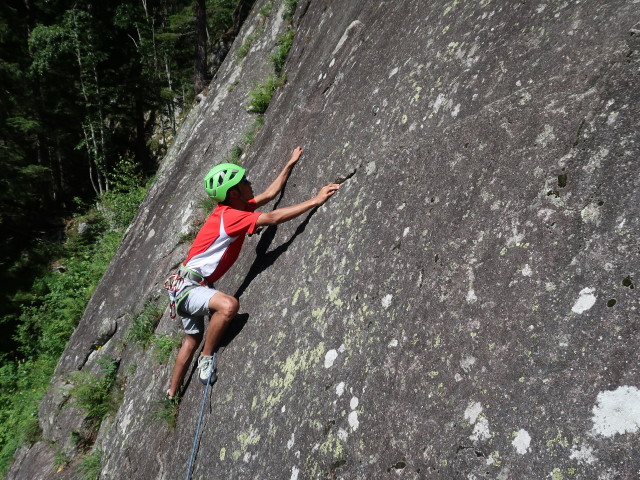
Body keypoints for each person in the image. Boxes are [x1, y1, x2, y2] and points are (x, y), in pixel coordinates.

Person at [166, 147, 339, 399]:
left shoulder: (231, 210)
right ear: (234, 192)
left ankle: (172, 393)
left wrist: (289, 164)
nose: (250, 182)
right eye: (244, 181)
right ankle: (206, 359)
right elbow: (271, 218)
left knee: (191, 339)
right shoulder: (231, 217)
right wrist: (315, 200)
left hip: (185, 286)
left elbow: (270, 194)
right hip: (190, 288)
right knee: (227, 306)